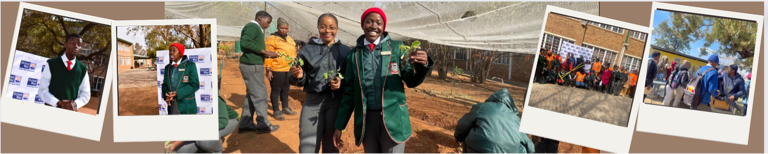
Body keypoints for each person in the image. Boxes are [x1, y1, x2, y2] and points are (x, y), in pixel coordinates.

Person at [333, 8, 434, 153]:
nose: (374, 26)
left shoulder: (397, 48)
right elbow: (349, 93)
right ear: (362, 25)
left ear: (383, 27)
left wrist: (423, 66)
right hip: (367, 121)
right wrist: (340, 125)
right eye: (369, 21)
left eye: (378, 23)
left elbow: (411, 81)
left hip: (394, 119)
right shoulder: (353, 55)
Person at [290, 13, 351, 153]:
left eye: (331, 27)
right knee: (308, 146)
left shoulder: (346, 51)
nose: (327, 31)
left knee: (331, 146)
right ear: (318, 28)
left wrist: (341, 82)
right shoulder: (307, 50)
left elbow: (351, 78)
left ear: (337, 29)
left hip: (336, 103)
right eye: (323, 27)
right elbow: (292, 76)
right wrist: (299, 75)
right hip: (312, 102)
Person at [454, 88, 535, 153]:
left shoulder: (482, 107)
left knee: (468, 134)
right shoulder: (516, 119)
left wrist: (458, 137)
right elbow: (529, 144)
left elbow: (463, 125)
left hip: (479, 148)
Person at [238, 11, 280, 133]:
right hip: (252, 66)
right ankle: (263, 125)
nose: (268, 25)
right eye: (267, 22)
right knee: (260, 95)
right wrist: (266, 52)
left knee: (251, 95)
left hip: (252, 65)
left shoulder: (256, 28)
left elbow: (251, 46)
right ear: (260, 18)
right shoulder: (252, 26)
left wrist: (265, 55)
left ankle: (245, 124)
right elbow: (245, 43)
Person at [171, 94, 239, 153]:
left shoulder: (212, 97)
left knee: (205, 140)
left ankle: (216, 151)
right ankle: (202, 149)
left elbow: (222, 121)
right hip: (202, 126)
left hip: (228, 120)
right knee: (179, 150)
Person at [39, 34, 91, 111]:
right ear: (65, 45)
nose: (76, 46)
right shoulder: (51, 64)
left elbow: (85, 94)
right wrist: (59, 103)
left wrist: (74, 104)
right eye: (73, 43)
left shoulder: (83, 69)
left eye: (79, 45)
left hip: (70, 111)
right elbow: (42, 90)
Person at [264, 18, 298, 121]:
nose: (284, 30)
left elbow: (293, 53)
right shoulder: (271, 39)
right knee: (276, 90)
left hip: (288, 69)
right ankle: (276, 111)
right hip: (276, 69)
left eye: (286, 28)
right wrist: (268, 69)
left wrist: (295, 65)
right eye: (282, 28)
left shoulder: (290, 39)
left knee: (286, 89)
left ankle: (285, 108)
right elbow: (268, 54)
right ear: (278, 27)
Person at [161, 43, 200, 114]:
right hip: (172, 106)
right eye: (170, 51)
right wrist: (166, 95)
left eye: (174, 50)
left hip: (186, 106)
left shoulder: (190, 65)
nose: (171, 53)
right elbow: (165, 85)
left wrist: (178, 93)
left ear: (180, 53)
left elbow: (195, 85)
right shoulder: (167, 68)